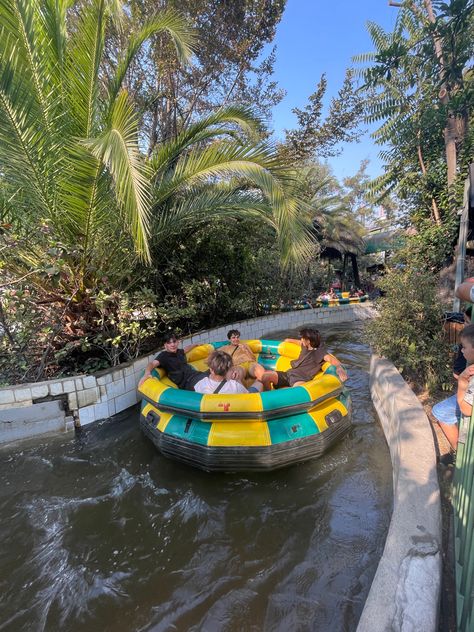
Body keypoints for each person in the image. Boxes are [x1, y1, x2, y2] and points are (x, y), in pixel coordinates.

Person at [432, 306, 472, 453]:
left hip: (466, 396)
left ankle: (459, 454)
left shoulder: (470, 368)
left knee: (439, 411)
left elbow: (466, 409)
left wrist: (462, 382)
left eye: (467, 321)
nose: (464, 324)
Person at [260, 327, 348, 391]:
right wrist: (288, 340)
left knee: (296, 392)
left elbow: (332, 360)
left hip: (300, 379)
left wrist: (340, 369)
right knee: (265, 377)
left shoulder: (320, 353)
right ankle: (268, 397)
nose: (301, 340)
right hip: (288, 374)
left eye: (302, 338)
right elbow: (297, 342)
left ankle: (281, 393)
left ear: (308, 341)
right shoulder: (304, 346)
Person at [138, 332, 207, 391]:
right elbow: (152, 364)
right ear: (165, 345)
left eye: (174, 341)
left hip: (197, 374)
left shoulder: (180, 352)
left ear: (177, 342)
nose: (172, 345)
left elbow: (186, 349)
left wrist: (195, 345)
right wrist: (147, 373)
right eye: (169, 342)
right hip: (188, 382)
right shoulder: (163, 356)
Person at [194, 350, 262, 394]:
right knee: (259, 382)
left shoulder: (201, 384)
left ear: (211, 370)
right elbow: (246, 398)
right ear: (229, 370)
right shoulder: (235, 387)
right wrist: (238, 380)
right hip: (243, 401)